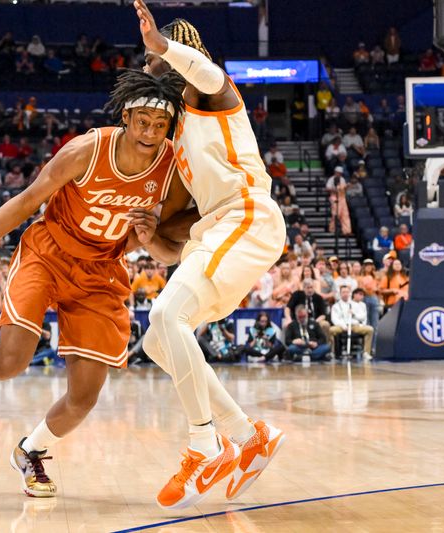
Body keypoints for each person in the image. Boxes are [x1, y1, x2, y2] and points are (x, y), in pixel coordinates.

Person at [0, 70, 185, 500]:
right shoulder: (87, 150)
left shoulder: (171, 165)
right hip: (49, 254)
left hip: (101, 272)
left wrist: (151, 238)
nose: (151, 132)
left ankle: (32, 450)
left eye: (160, 126)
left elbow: (170, 252)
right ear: (126, 116)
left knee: (84, 398)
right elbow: (28, 201)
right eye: (143, 122)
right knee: (10, 360)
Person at [132, 6, 287, 509]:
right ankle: (246, 434)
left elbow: (205, 70)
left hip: (247, 214)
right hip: (218, 230)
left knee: (165, 313)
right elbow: (174, 247)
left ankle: (205, 443)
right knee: (158, 338)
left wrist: (161, 46)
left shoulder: (215, 96)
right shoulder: (178, 145)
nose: (152, 78)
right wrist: (148, 235)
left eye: (158, 69)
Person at [328, 286, 373, 360]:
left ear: (349, 293)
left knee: (370, 329)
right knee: (331, 330)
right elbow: (334, 319)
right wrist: (343, 325)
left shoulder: (355, 304)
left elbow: (362, 317)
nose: (345, 294)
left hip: (354, 325)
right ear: (340, 294)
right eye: (343, 292)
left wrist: (354, 314)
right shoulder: (336, 306)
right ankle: (332, 352)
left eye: (347, 292)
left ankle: (366, 353)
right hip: (342, 326)